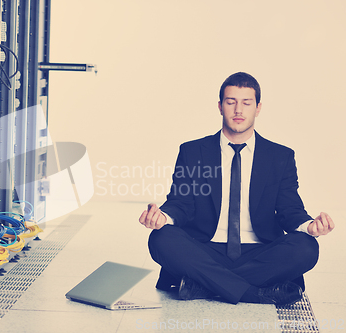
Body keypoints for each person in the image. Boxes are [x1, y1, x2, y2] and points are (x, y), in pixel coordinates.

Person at [139, 72, 334, 305]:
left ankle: (204, 285)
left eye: (246, 103)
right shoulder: (193, 152)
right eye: (231, 102)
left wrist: (309, 226)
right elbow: (181, 202)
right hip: (205, 250)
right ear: (220, 106)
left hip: (259, 252)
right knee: (161, 238)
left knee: (306, 247)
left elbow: (289, 209)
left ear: (258, 108)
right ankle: (255, 293)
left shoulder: (280, 156)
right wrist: (163, 216)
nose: (238, 110)